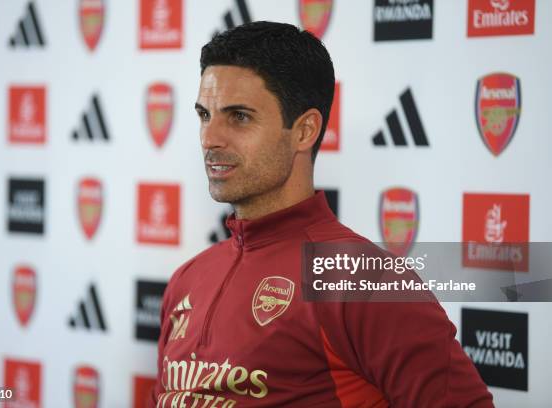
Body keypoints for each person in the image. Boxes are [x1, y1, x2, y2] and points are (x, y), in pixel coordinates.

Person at [150, 21, 493, 407]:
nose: (210, 139)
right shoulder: (187, 279)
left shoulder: (361, 278)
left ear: (304, 130)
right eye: (204, 115)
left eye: (239, 116)